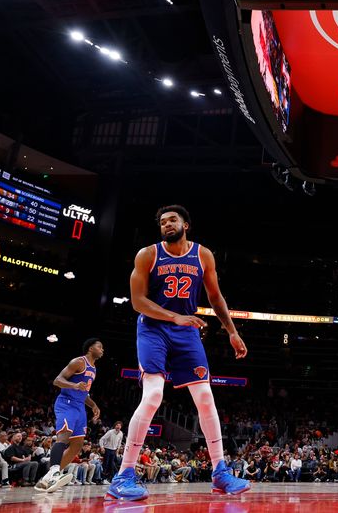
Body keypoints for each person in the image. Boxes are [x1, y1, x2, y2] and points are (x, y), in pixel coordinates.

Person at [105, 205, 250, 500]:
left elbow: (215, 297)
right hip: (153, 329)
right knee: (154, 395)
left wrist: (232, 331)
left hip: (185, 332)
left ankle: (220, 471)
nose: (167, 225)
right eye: (162, 222)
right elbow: (137, 301)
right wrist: (173, 317)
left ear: (186, 224)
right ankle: (123, 475)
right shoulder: (148, 255)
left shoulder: (202, 254)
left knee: (206, 396)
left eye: (173, 220)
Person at [35, 338, 103, 493]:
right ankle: (53, 470)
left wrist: (93, 405)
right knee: (64, 436)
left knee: (78, 444)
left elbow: (83, 392)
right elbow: (57, 381)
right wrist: (73, 385)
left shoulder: (94, 369)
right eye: (100, 347)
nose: (102, 350)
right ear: (90, 348)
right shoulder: (79, 362)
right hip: (66, 403)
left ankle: (47, 478)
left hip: (79, 407)